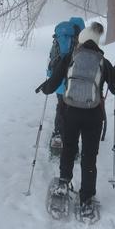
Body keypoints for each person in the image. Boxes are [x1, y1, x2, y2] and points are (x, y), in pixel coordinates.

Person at [36, 21, 115, 218]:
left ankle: (64, 184)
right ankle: (86, 199)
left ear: (81, 40)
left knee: (69, 149)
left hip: (70, 113)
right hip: (93, 116)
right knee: (89, 157)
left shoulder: (70, 57)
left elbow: (51, 87)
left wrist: (44, 87)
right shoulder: (103, 61)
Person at [46, 17, 85, 150]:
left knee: (61, 107)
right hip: (74, 83)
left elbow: (51, 58)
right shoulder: (80, 41)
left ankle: (58, 135)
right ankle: (71, 138)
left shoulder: (59, 39)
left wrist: (51, 78)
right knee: (74, 109)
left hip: (58, 83)